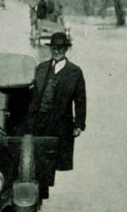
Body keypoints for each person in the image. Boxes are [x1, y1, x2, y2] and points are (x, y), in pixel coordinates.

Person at [26, 32, 86, 199]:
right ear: (50, 49)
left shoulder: (75, 72)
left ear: (65, 50)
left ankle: (42, 192)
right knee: (34, 155)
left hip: (60, 122)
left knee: (51, 156)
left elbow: (80, 100)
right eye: (54, 48)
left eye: (60, 48)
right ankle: (38, 193)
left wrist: (79, 124)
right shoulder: (41, 68)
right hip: (39, 119)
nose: (56, 51)